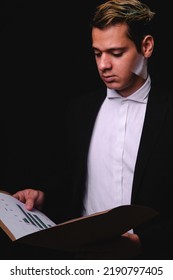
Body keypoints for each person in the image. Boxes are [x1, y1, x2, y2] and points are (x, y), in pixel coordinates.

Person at [12, 0, 173, 259]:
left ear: (146, 46)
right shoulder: (80, 111)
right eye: (97, 53)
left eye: (116, 53)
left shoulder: (168, 114)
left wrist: (144, 243)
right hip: (85, 260)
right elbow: (73, 183)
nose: (103, 65)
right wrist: (44, 197)